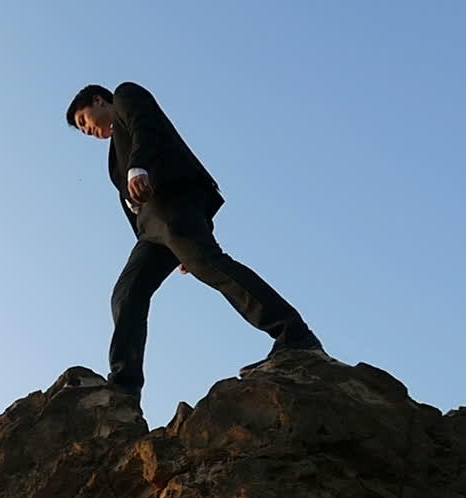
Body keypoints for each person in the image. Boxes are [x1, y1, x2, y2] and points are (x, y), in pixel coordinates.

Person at [66, 81, 326, 398]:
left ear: (98, 101)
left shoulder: (125, 96)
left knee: (211, 266)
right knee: (127, 295)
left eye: (83, 121)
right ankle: (125, 385)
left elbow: (145, 125)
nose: (86, 130)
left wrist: (138, 166)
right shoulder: (112, 162)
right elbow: (131, 208)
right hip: (152, 233)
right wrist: (168, 250)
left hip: (173, 201)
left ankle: (295, 335)